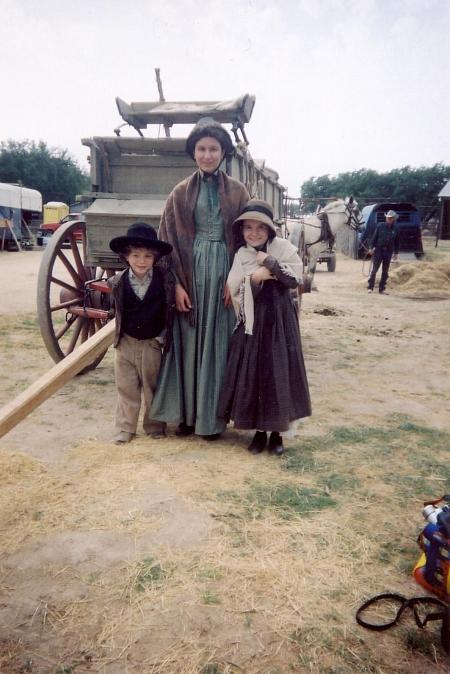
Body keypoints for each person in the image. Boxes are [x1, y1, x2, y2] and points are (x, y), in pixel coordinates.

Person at [150, 117, 250, 439]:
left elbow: (249, 239)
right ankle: (187, 417)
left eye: (214, 149)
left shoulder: (237, 191)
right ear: (194, 152)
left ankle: (212, 420)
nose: (207, 155)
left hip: (224, 275)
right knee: (189, 342)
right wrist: (177, 285)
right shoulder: (179, 193)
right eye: (201, 149)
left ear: (223, 153)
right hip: (190, 275)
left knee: (218, 344)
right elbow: (165, 241)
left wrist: (234, 282)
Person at [218, 199, 312, 456]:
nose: (254, 233)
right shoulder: (242, 255)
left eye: (260, 227)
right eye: (248, 227)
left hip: (280, 321)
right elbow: (236, 287)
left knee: (278, 371)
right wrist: (255, 279)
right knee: (256, 371)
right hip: (255, 321)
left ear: (270, 229)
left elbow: (293, 279)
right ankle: (259, 432)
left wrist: (269, 264)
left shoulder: (283, 249)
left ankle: (277, 433)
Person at [108, 222, 174, 444]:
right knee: (126, 387)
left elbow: (168, 310)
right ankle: (125, 428)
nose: (141, 261)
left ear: (155, 258)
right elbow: (115, 312)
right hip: (125, 342)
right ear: (126, 256)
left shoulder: (164, 281)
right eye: (136, 255)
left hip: (151, 343)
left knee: (152, 386)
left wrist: (161, 337)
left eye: (147, 256)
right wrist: (118, 337)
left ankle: (155, 425)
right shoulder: (117, 282)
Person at [367, 210, 400, 294]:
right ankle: (370, 287)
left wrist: (396, 253)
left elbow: (397, 242)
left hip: (389, 251)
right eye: (387, 218)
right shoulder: (380, 226)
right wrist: (371, 248)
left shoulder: (396, 228)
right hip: (378, 250)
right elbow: (374, 237)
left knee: (385, 271)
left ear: (393, 219)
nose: (388, 219)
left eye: (390, 218)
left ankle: (382, 289)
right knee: (374, 269)